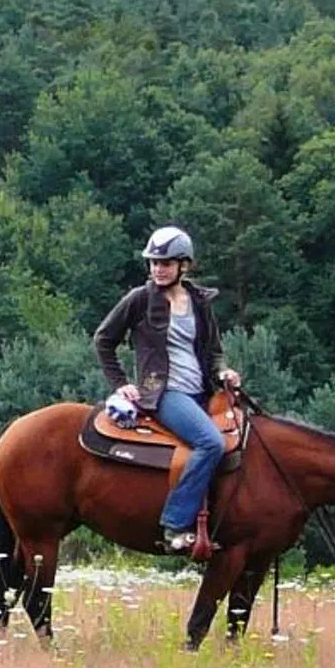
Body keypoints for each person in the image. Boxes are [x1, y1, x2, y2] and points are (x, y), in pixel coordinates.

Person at [94, 224, 240, 554]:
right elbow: (103, 340)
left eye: (166, 263)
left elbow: (213, 350)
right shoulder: (139, 299)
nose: (158, 269)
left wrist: (223, 372)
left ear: (183, 265)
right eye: (154, 263)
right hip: (164, 393)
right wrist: (122, 385)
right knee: (210, 442)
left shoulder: (199, 301)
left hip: (203, 391)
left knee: (244, 438)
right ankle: (175, 524)